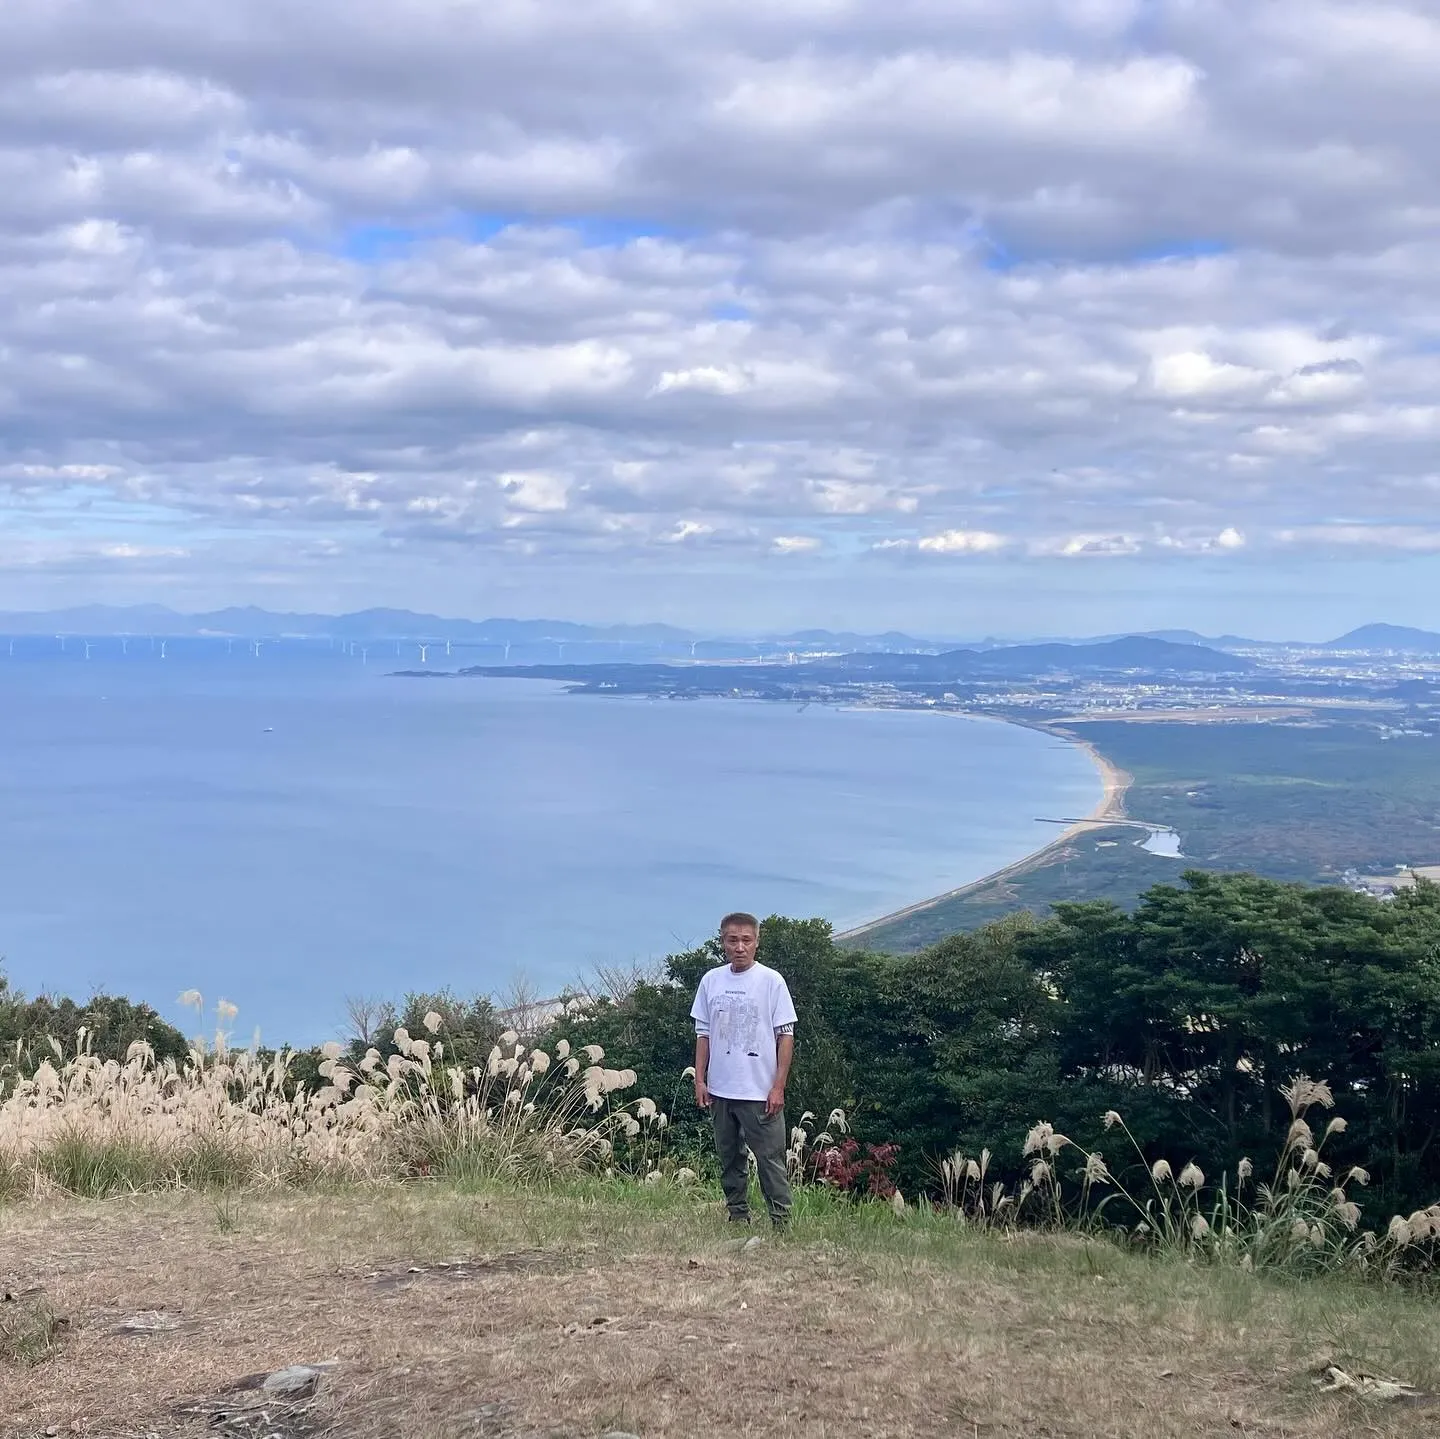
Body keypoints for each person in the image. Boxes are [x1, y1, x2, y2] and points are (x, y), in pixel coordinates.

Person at [690, 911, 797, 1227]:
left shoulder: (771, 981)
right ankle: (737, 1215)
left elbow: (785, 1036)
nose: (739, 947)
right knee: (730, 1159)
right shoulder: (711, 980)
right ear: (722, 942)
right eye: (732, 940)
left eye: (746, 940)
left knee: (771, 1161)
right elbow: (703, 1034)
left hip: (760, 1091)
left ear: (757, 942)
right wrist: (700, 1078)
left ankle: (781, 1222)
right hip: (721, 1090)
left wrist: (778, 1086)